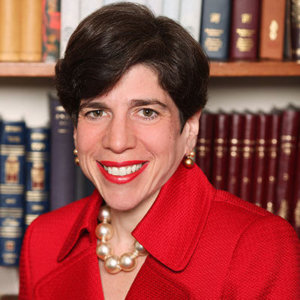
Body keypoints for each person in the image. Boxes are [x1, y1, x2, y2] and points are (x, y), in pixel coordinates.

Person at [19, 3, 299, 299]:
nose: (117, 141)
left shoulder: (258, 248)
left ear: (189, 127)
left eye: (147, 112)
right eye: (97, 112)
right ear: (75, 129)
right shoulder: (43, 241)